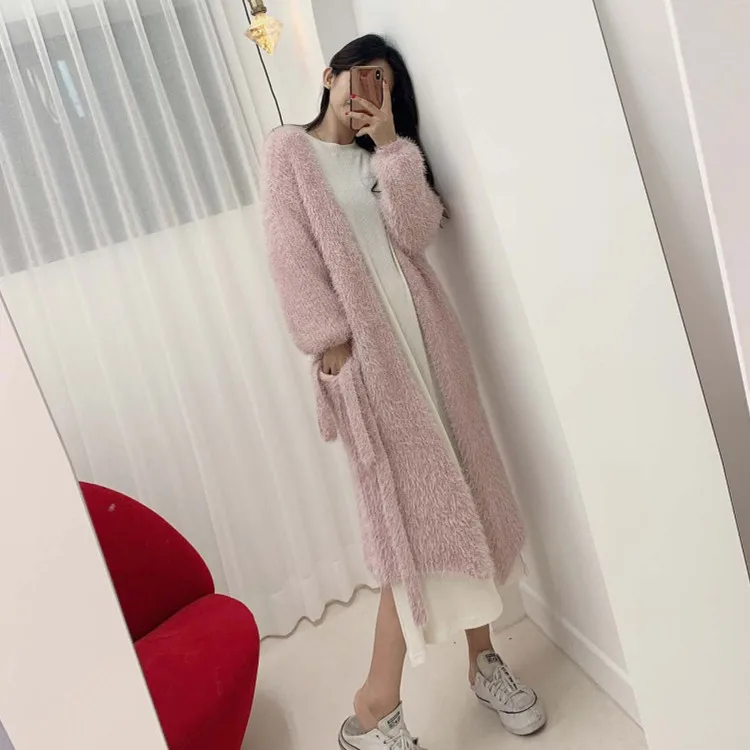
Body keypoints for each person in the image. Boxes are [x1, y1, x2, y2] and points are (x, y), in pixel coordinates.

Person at [263, 34, 546, 749]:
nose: (367, 92)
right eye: (361, 76)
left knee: (469, 496)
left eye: (382, 84)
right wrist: (332, 345)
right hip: (372, 366)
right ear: (329, 76)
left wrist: (391, 145)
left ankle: (483, 661)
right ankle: (372, 709)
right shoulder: (289, 152)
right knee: (410, 527)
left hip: (430, 350)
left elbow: (416, 235)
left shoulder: (383, 159)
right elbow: (289, 255)